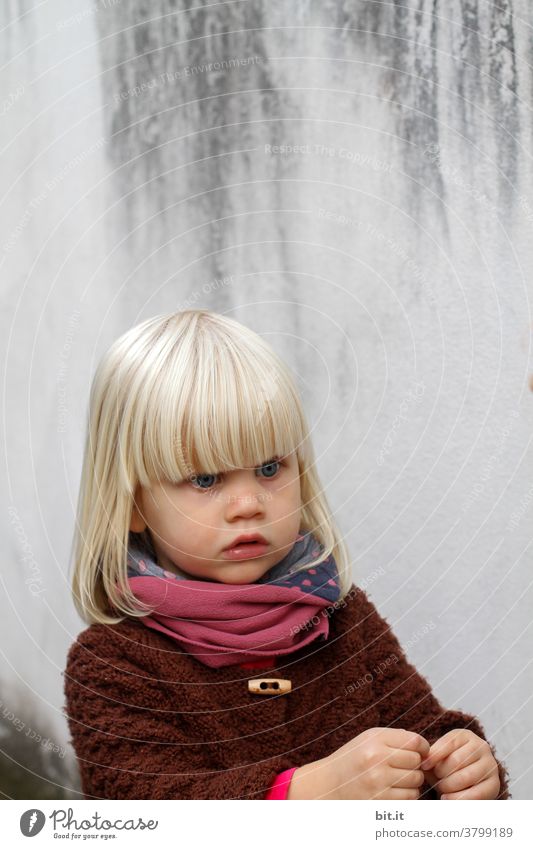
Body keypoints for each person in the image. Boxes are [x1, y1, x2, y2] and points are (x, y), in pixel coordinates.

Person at [63, 309, 510, 800]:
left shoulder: (340, 616)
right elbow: (146, 810)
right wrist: (306, 794)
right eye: (206, 479)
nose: (249, 504)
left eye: (270, 467)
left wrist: (461, 766)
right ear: (133, 505)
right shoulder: (111, 666)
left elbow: (421, 731)